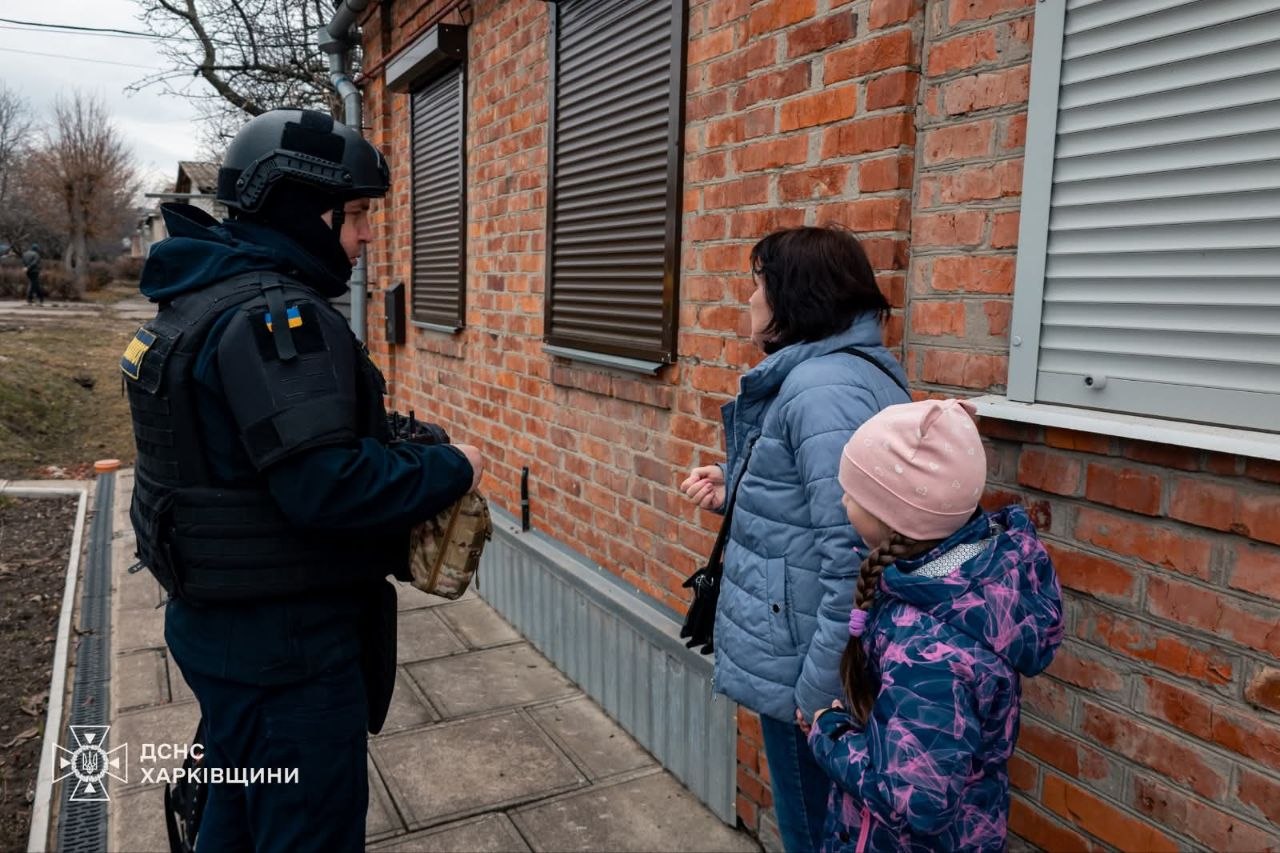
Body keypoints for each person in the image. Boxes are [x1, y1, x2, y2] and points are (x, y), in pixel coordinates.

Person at [122, 108, 484, 851]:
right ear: (299, 209)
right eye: (353, 213)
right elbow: (327, 487)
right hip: (285, 649)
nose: (364, 234)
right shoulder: (275, 315)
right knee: (304, 827)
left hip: (225, 631)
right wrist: (453, 467)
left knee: (237, 808)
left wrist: (388, 436)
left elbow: (248, 455)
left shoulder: (197, 296)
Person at [680, 226, 911, 853]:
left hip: (806, 662)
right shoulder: (846, 375)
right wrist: (737, 483)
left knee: (813, 834)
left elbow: (853, 556)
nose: (750, 300)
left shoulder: (820, 391)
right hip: (808, 645)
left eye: (758, 284)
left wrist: (818, 693)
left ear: (793, 297)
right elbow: (830, 500)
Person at [804, 399, 1064, 852]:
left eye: (855, 494)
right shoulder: (953, 585)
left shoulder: (927, 649)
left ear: (894, 518)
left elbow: (913, 802)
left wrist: (830, 732)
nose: (843, 499)